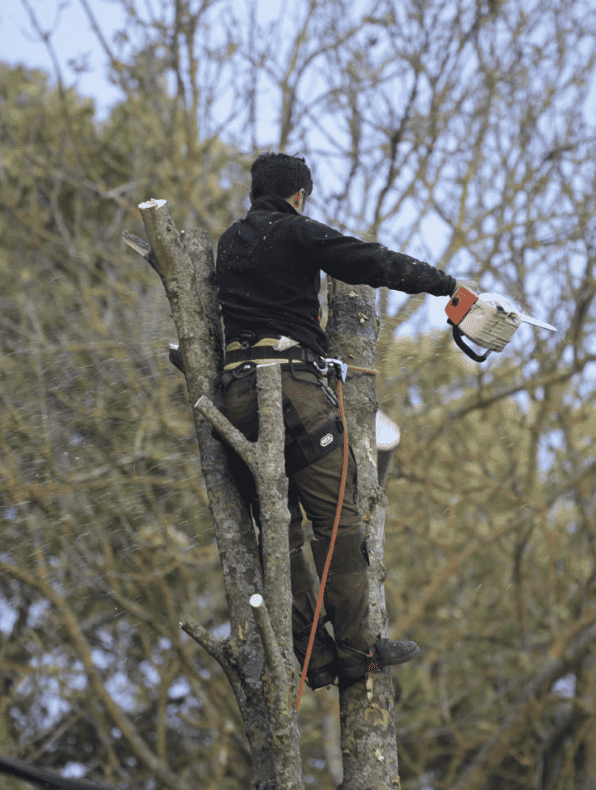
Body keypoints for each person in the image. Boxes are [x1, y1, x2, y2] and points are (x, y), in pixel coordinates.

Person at [215, 152, 459, 688]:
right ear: (299, 194)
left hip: (235, 398)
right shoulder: (296, 230)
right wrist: (444, 285)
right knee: (340, 523)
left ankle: (311, 657)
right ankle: (357, 651)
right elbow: (367, 260)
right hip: (291, 390)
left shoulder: (227, 243)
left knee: (279, 531)